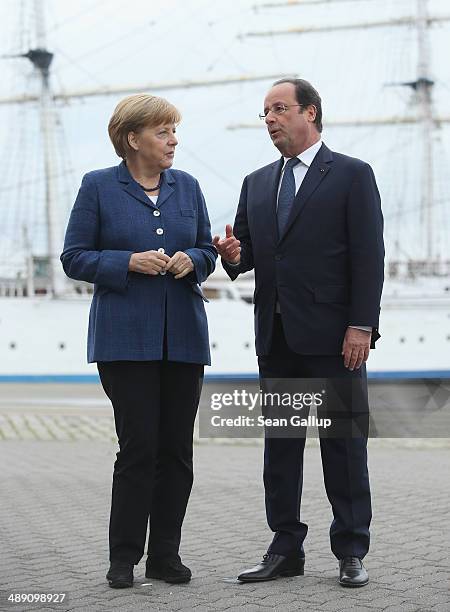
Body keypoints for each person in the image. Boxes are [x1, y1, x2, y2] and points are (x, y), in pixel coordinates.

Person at [213, 78, 384, 587]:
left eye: (279, 108)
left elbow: (368, 256)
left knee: (344, 448)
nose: (269, 118)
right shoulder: (257, 182)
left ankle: (351, 550)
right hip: (278, 337)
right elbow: (246, 254)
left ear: (310, 112)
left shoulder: (352, 174)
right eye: (264, 112)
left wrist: (361, 325)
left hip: (337, 340)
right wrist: (232, 257)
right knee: (281, 448)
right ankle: (284, 548)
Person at [61, 94, 216, 589]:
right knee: (138, 449)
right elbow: (74, 257)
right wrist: (125, 262)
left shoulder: (188, 187)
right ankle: (124, 557)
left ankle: (165, 557)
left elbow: (209, 248)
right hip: (124, 341)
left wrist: (195, 258)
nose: (174, 139)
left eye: (175, 130)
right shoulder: (98, 187)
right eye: (163, 131)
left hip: (184, 339)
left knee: (176, 451)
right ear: (132, 139)